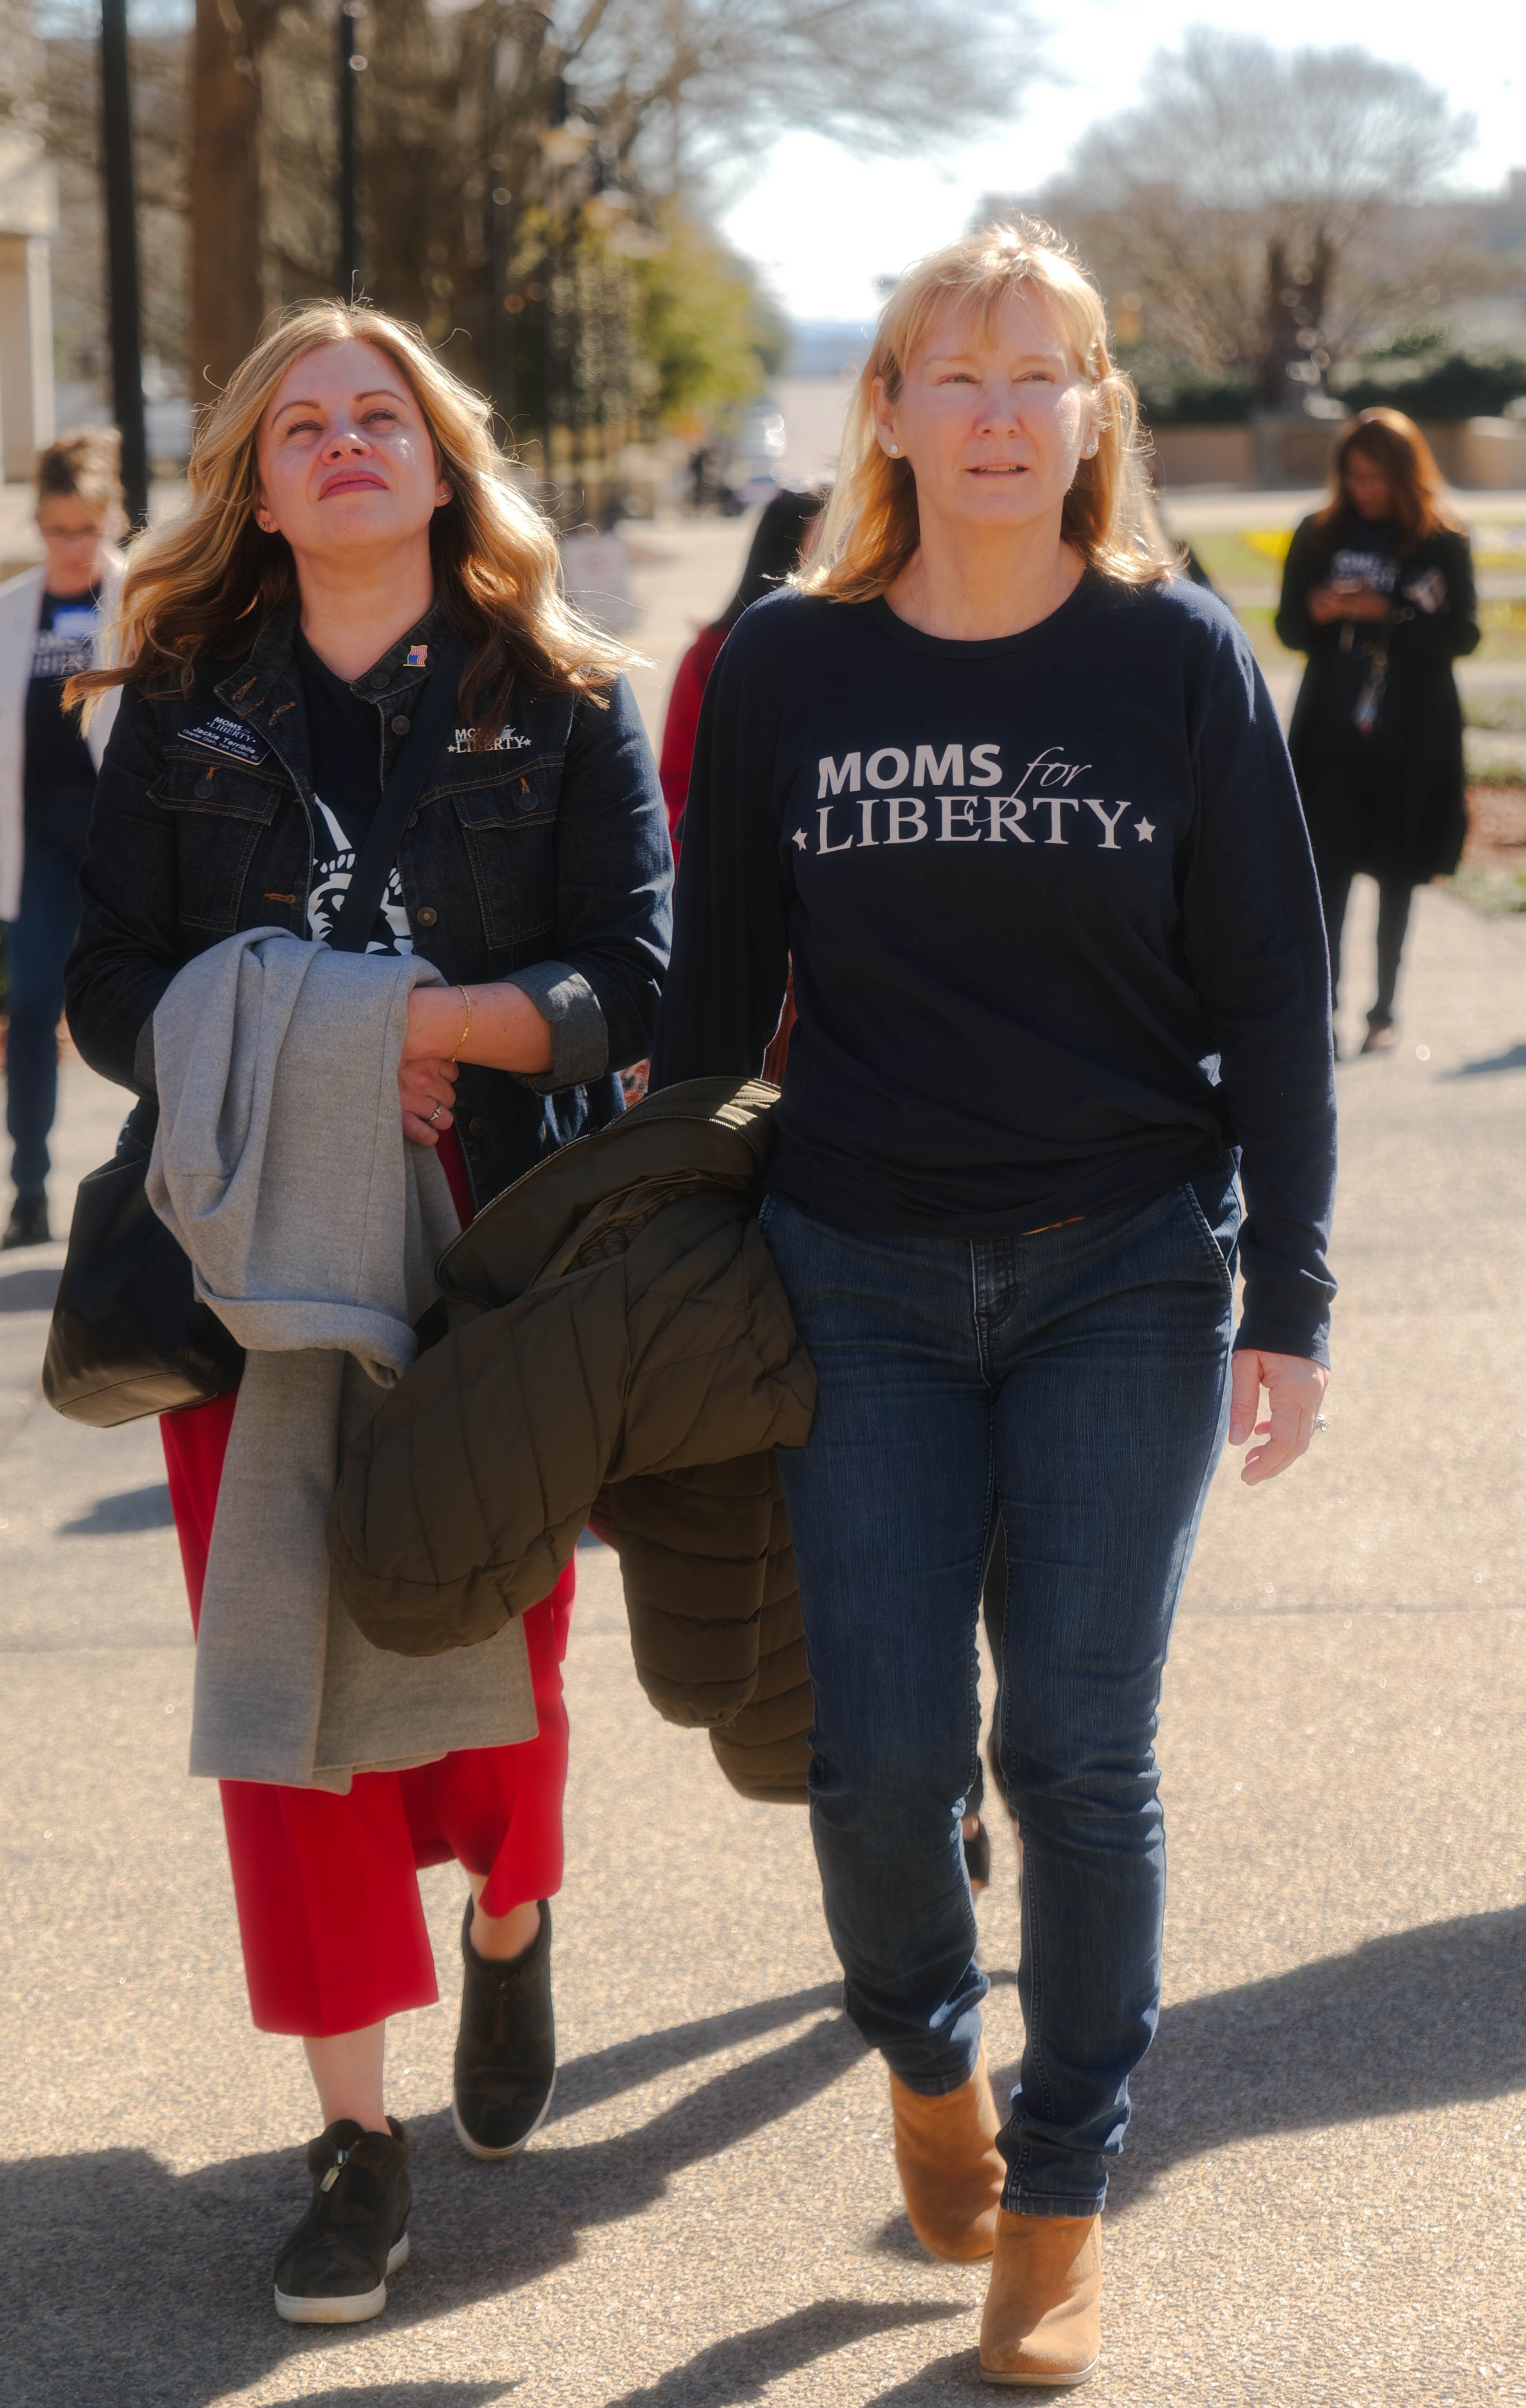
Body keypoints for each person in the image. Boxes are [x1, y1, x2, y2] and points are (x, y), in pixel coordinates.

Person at [653, 220, 1335, 2388]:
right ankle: (924, 2054)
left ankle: (1055, 2192)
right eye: (954, 374)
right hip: (849, 1266)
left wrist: (1286, 1288)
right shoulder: (785, 667)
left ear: (1092, 412)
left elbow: (1276, 1002)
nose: (998, 413)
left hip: (1124, 1263)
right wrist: (669, 1239)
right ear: (887, 410)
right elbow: (711, 1004)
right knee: (876, 1757)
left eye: (1040, 376)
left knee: (1074, 1744)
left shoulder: (1175, 660)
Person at [65, 301, 672, 2325]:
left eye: (377, 416)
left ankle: (513, 1910)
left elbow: (632, 983)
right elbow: (108, 996)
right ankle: (355, 2133)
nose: (339, 443)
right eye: (298, 421)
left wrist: (443, 1030)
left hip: (499, 1264)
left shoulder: (562, 692)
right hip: (246, 1260)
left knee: (500, 1669)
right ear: (253, 475)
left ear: (439, 458)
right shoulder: (178, 702)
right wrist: (339, 1040)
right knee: (286, 1719)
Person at [1275, 408, 1478, 1055]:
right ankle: (1324, 1010)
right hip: (1331, 738)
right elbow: (1287, 629)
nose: (1364, 490)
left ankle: (1383, 1011)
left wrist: (1385, 613)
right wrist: (1318, 609)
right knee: (1324, 875)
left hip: (1411, 741)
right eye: (1354, 476)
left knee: (1398, 874)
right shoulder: (1318, 533)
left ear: (1405, 474)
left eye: (1377, 478)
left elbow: (1463, 635)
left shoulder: (1441, 539)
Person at [0, 430, 124, 1245]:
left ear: (110, 521)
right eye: (58, 530)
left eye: (88, 529)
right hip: (37, 844)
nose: (74, 547)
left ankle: (155, 1189)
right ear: (38, 524)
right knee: (34, 1004)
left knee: (145, 1008)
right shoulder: (2, 617)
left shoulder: (147, 604)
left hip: (122, 844)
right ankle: (29, 1190)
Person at [659, 486, 827, 863]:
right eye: (831, 533)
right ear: (785, 545)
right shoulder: (712, 656)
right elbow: (679, 785)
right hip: (734, 877)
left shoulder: (877, 650)